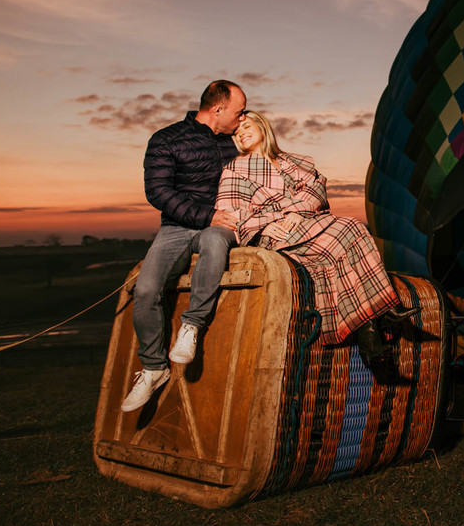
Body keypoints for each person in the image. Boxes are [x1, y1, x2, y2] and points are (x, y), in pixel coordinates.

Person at [215, 111, 411, 350]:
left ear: (262, 126)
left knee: (335, 257)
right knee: (350, 226)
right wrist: (267, 225)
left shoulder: (294, 161)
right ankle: (388, 308)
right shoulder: (234, 170)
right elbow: (229, 213)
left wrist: (297, 212)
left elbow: (316, 191)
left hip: (304, 224)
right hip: (275, 235)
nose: (241, 134)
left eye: (246, 127)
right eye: (236, 133)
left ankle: (369, 335)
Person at [122, 80, 247, 413]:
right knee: (147, 290)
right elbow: (159, 192)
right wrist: (208, 215)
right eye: (238, 111)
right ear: (218, 109)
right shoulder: (166, 139)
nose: (242, 117)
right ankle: (153, 368)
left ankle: (191, 326)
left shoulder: (236, 142)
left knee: (214, 244)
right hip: (178, 226)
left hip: (218, 227)